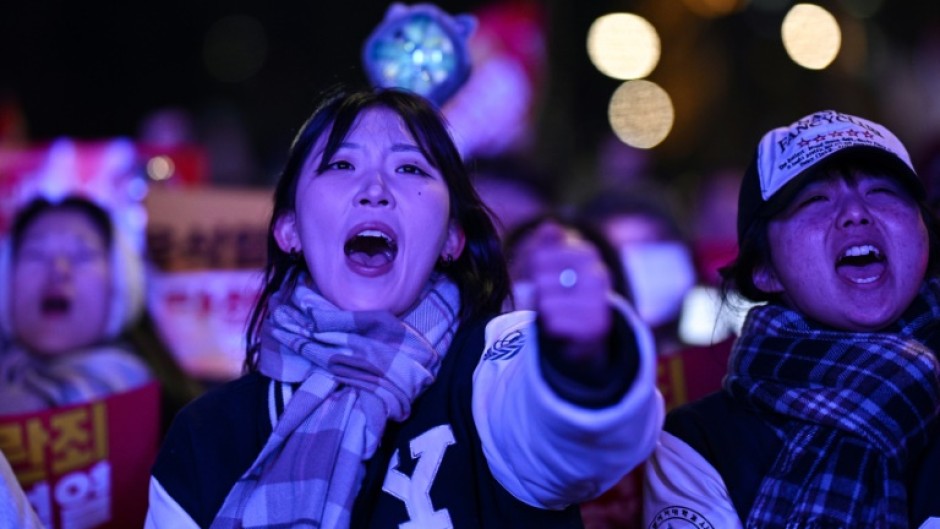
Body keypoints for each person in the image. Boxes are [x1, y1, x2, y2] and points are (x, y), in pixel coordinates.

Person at [145, 86, 663, 528]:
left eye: (410, 167)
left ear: (452, 238)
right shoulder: (209, 434)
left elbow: (568, 441)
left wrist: (581, 362)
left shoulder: (490, 369)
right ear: (290, 230)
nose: (375, 190)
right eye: (342, 164)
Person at [643, 109, 940, 528]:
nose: (856, 213)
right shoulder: (700, 442)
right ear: (764, 270)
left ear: (925, 234)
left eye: (883, 193)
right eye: (816, 200)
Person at [0, 196, 153, 413]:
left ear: (122, 282)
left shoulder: (164, 415)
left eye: (82, 256)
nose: (58, 271)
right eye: (36, 255)